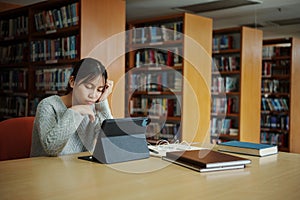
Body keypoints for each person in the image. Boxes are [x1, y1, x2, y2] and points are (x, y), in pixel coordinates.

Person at [30, 57, 113, 157]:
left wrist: (102, 102)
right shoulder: (48, 105)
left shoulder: (94, 107)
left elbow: (110, 141)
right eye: (88, 87)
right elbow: (51, 149)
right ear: (72, 81)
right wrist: (74, 112)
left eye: (99, 90)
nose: (93, 95)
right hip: (48, 169)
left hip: (79, 169)